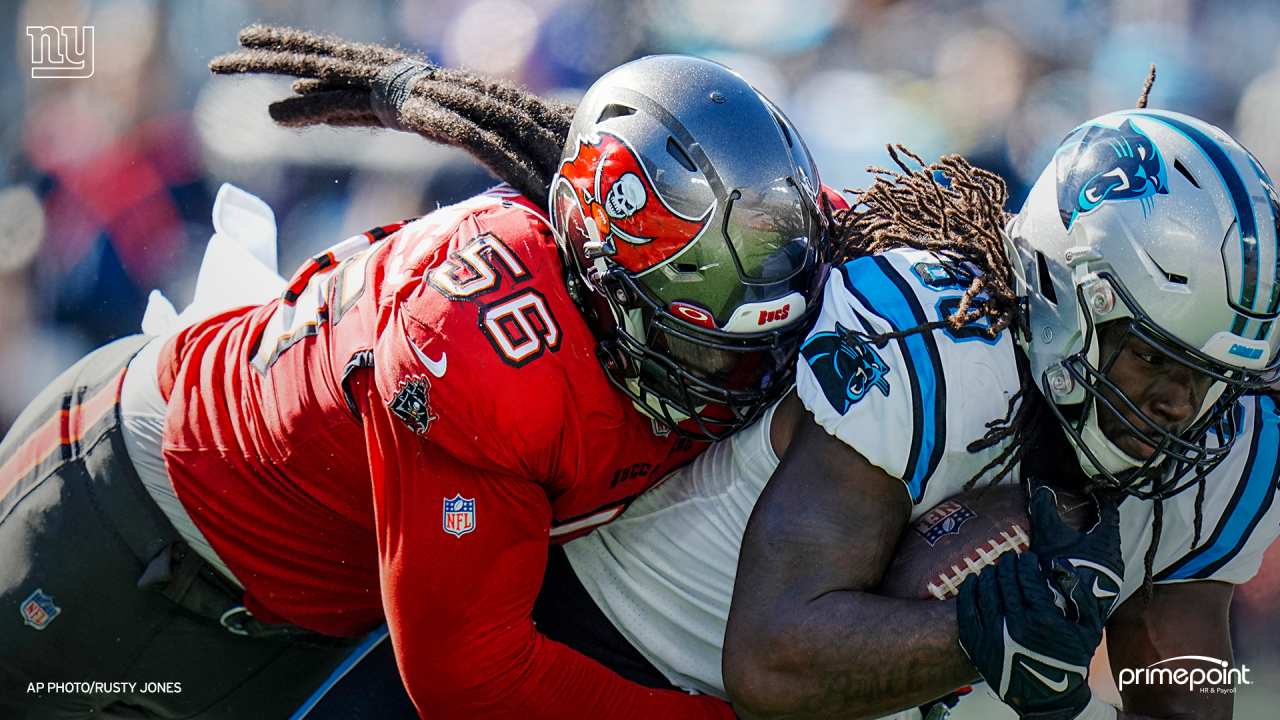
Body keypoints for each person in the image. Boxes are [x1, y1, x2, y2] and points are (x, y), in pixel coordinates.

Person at [0, 26, 836, 720]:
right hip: (118, 527)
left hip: (296, 613)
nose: (743, 374)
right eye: (705, 347)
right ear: (604, 284)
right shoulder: (477, 360)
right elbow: (474, 682)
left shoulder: (762, 232)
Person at [546, 109, 1280, 720]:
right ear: (1066, 298)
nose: (1183, 405)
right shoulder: (933, 345)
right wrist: (982, 635)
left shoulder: (1226, 436)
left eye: (1212, 374)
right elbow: (771, 659)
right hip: (606, 648)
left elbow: (1178, 690)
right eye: (1155, 358)